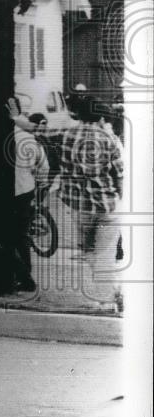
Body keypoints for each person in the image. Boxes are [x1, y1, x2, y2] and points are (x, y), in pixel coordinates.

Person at [9, 94, 123, 306]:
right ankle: (109, 297)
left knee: (89, 251)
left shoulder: (66, 134)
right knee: (105, 253)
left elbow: (36, 129)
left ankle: (111, 292)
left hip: (81, 208)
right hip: (108, 206)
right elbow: (120, 175)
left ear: (79, 114)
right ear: (99, 117)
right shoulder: (111, 140)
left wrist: (16, 117)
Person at [11, 105, 50, 292]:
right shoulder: (31, 140)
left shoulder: (6, 135)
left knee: (5, 235)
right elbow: (44, 167)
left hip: (7, 192)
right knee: (22, 235)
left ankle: (22, 277)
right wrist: (39, 186)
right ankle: (25, 275)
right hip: (25, 190)